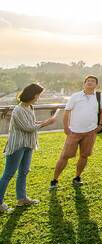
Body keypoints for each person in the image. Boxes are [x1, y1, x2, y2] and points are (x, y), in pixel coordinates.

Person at [1, 84, 59, 212]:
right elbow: (27, 128)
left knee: (24, 172)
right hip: (17, 145)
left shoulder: (29, 107)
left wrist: (43, 122)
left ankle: (22, 199)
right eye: (39, 94)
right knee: (8, 174)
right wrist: (46, 123)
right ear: (33, 95)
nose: (39, 97)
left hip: (28, 144)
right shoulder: (18, 110)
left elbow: (30, 124)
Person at [50, 75, 102, 190]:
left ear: (96, 85)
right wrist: (66, 128)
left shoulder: (100, 96)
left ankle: (77, 177)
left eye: (93, 81)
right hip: (74, 131)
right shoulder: (75, 96)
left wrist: (100, 125)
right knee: (65, 156)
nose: (90, 82)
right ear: (84, 84)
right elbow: (66, 113)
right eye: (88, 81)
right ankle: (54, 180)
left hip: (90, 131)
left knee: (84, 155)